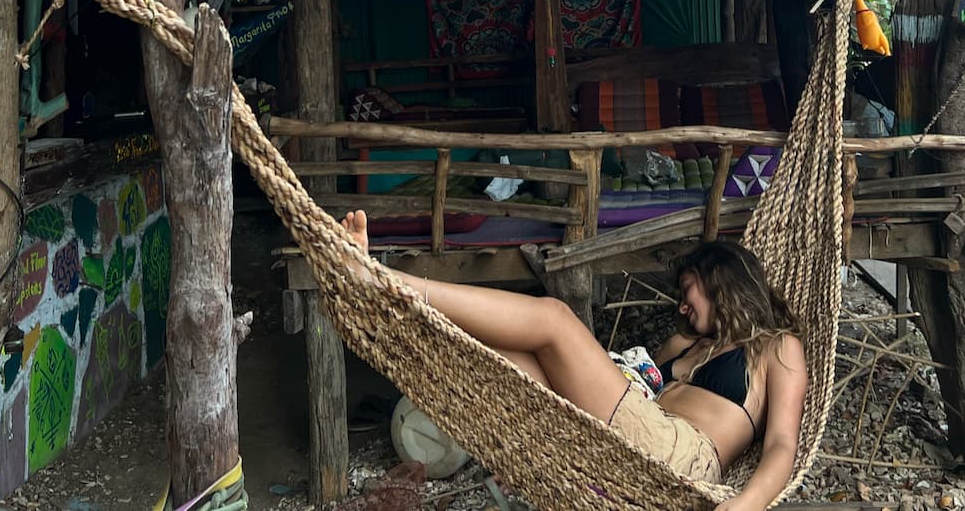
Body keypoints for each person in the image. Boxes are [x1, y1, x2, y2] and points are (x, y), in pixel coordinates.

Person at [341, 210, 808, 511]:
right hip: (620, 441)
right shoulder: (684, 345)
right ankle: (397, 322)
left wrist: (747, 504)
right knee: (505, 359)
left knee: (555, 319)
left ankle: (384, 281)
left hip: (677, 460)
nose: (682, 308)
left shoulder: (777, 347)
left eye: (687, 291)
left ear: (721, 280)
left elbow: (783, 444)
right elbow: (628, 387)